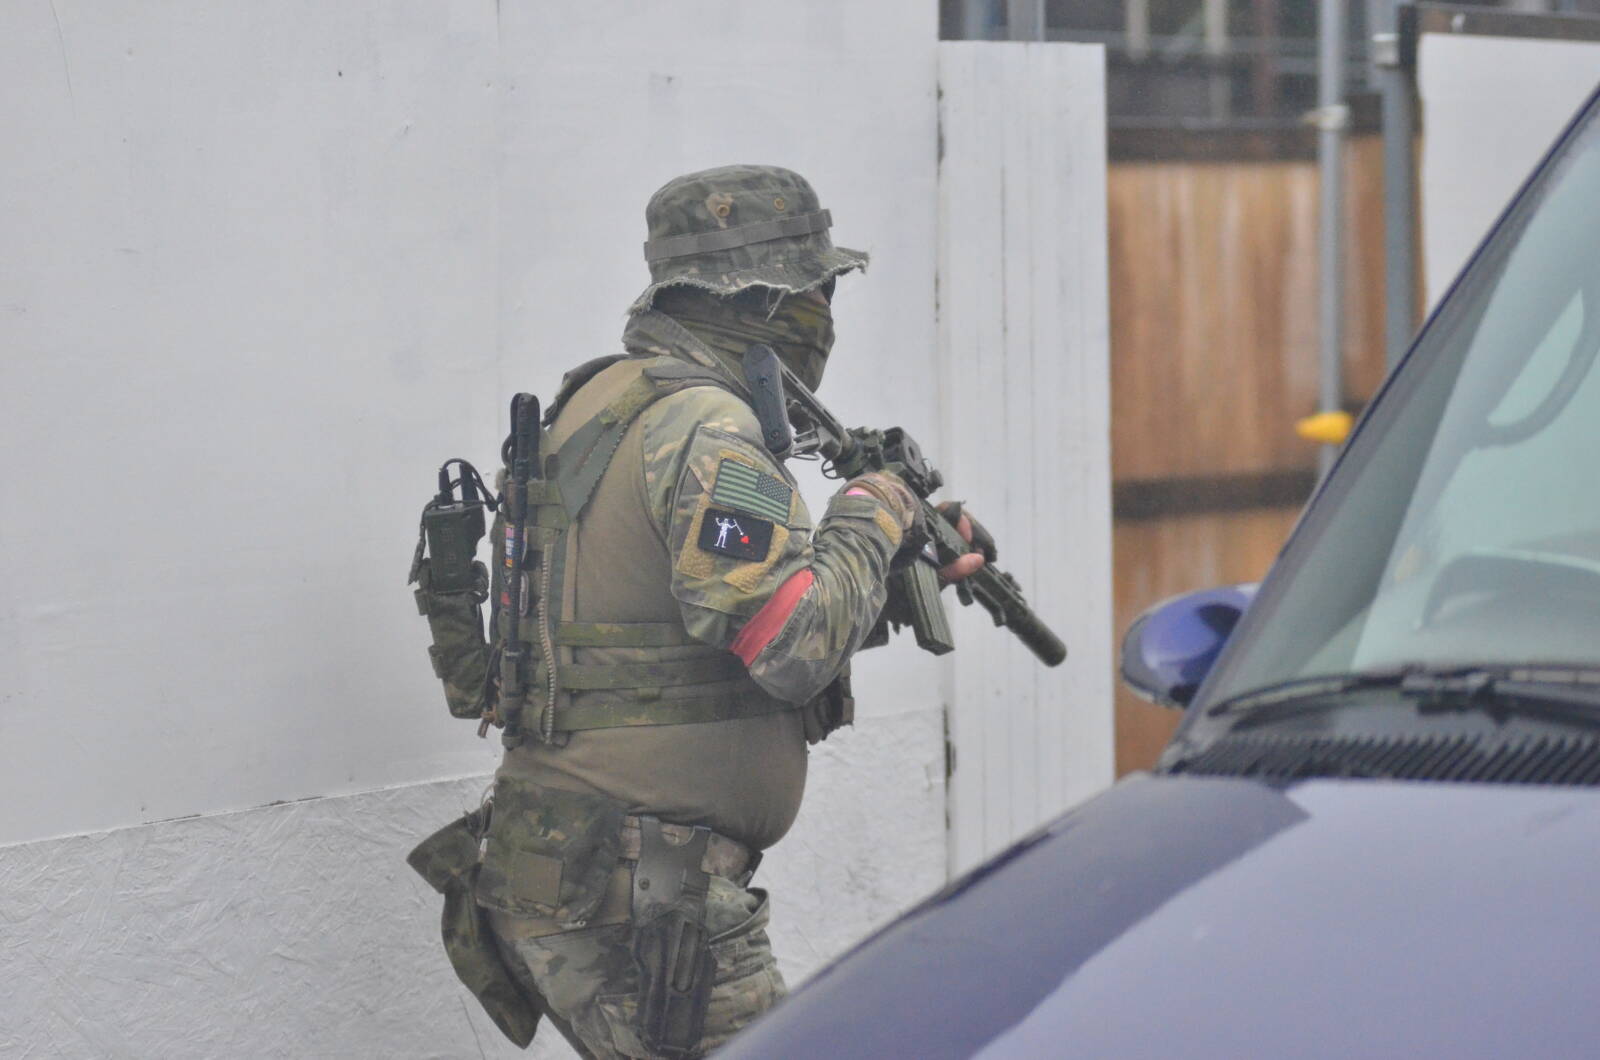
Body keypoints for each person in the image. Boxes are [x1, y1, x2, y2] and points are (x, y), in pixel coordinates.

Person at [466, 164, 981, 1059]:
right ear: (768, 300)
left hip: (570, 867)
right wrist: (877, 507)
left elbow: (680, 634)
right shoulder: (710, 426)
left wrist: (893, 574)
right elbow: (791, 648)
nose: (826, 313)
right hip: (641, 893)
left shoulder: (606, 400)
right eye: (819, 290)